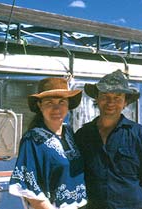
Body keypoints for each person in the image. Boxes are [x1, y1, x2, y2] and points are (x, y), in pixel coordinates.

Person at [75, 70, 142, 209]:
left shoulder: (139, 134)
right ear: (96, 99)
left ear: (125, 102)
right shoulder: (82, 135)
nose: (111, 102)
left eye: (117, 97)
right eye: (105, 96)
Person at [9, 77, 87, 209]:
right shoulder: (33, 139)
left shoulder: (68, 132)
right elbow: (29, 189)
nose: (56, 109)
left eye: (61, 102)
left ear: (68, 105)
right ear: (40, 106)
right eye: (49, 103)